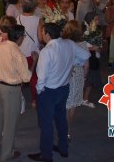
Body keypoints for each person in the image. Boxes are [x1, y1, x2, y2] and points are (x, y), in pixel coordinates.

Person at [27, 21, 90, 162]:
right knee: (61, 119)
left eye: (42, 32)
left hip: (48, 91)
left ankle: (46, 155)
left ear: (47, 34)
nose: (41, 35)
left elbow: (41, 78)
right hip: (64, 88)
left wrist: (38, 91)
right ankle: (63, 148)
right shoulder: (69, 44)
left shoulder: (47, 51)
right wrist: (75, 63)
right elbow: (86, 55)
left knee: (46, 124)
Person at [0, 18, 32, 161]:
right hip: (10, 90)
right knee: (10, 123)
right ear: (19, 38)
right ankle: (7, 153)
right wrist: (34, 64)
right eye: (23, 36)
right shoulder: (17, 52)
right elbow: (26, 77)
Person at [62, 20, 90, 142]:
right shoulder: (83, 44)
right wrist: (83, 77)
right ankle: (67, 131)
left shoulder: (64, 44)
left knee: (66, 104)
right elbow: (87, 65)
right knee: (73, 105)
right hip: (78, 73)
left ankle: (64, 130)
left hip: (66, 73)